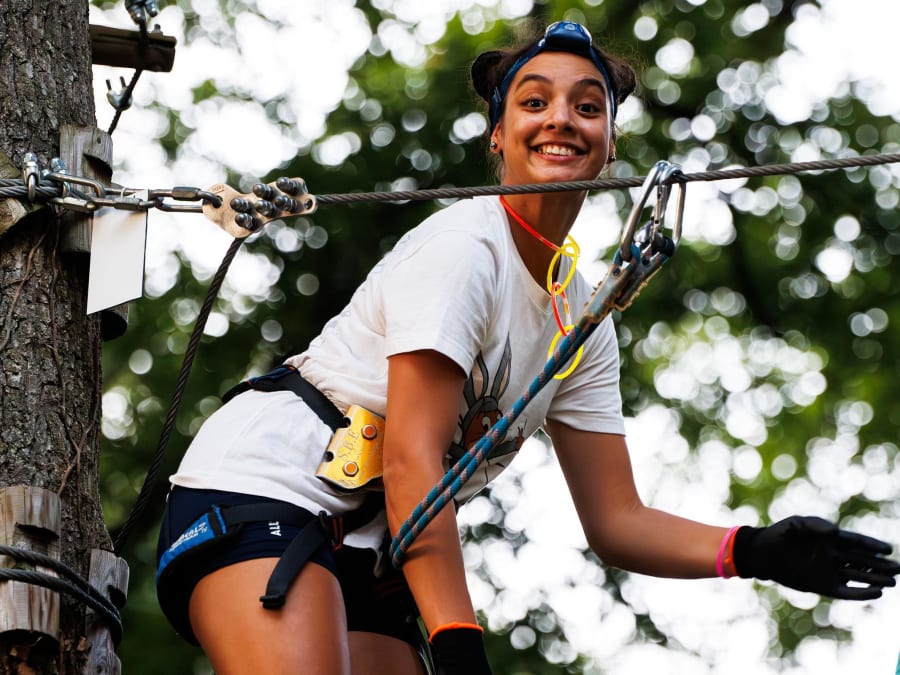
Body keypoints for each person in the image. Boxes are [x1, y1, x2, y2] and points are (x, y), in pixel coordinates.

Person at [155, 21, 900, 675]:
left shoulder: (585, 317)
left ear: (610, 141)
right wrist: (456, 636)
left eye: (587, 105)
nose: (561, 120)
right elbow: (415, 458)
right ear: (498, 135)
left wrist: (754, 549)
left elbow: (615, 519)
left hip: (374, 541)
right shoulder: (463, 249)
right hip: (264, 488)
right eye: (534, 101)